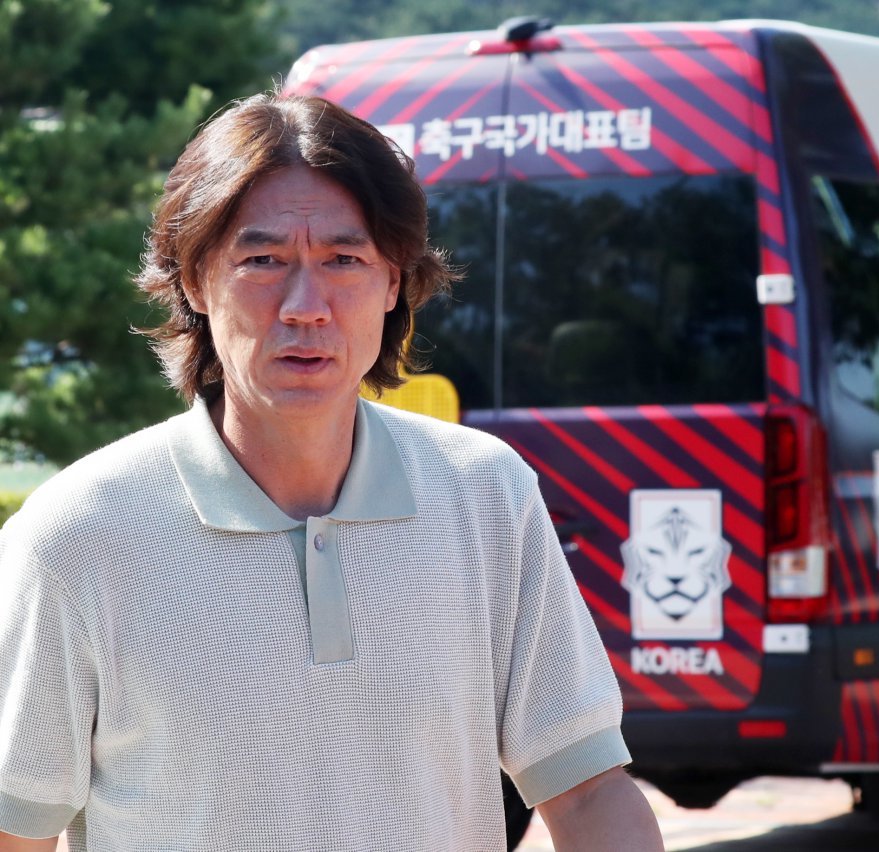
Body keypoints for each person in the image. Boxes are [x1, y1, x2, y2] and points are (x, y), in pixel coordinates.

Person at [0, 93, 664, 852]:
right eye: (262, 260)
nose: (305, 306)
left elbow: (587, 794)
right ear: (193, 281)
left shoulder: (486, 497)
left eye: (344, 259)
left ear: (394, 283)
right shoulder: (75, 538)